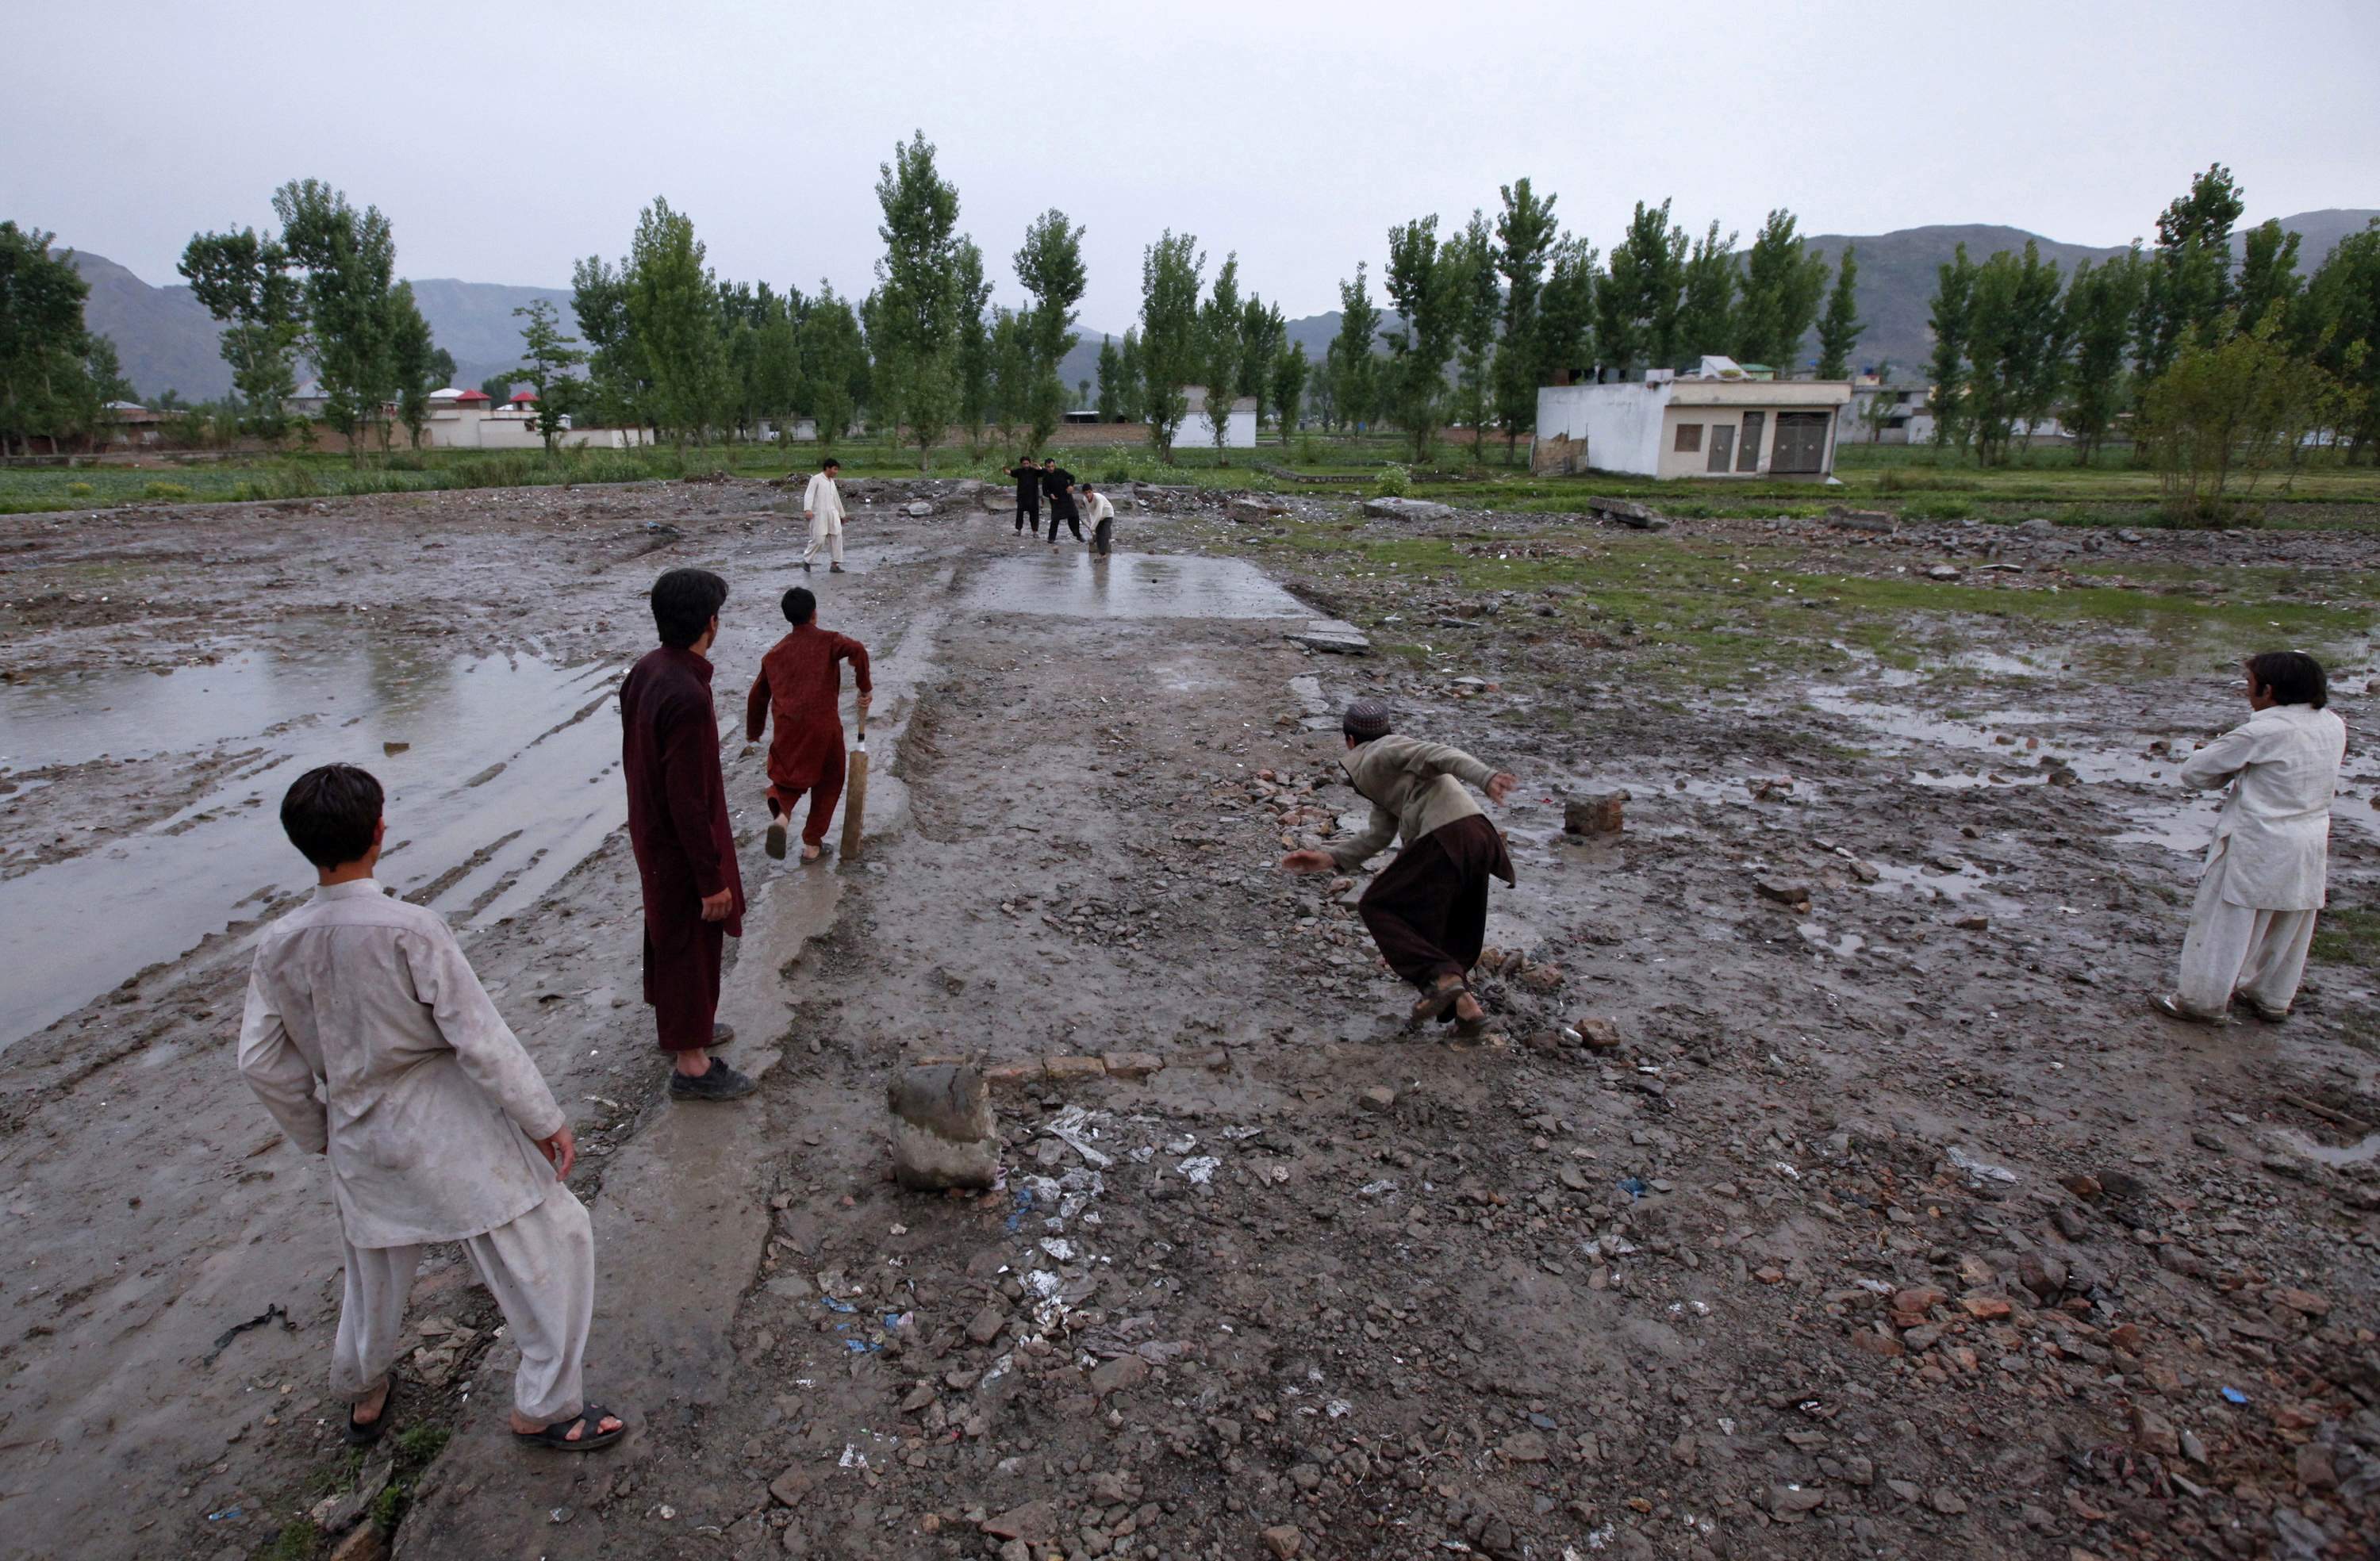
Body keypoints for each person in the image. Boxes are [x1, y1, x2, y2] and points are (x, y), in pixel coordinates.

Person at [237, 763, 628, 1453]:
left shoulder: (278, 945)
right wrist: (545, 1120)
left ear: (299, 842)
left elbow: (262, 1063)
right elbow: (480, 1040)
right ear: (379, 833)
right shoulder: (410, 929)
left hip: (357, 1128)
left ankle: (364, 1392)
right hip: (446, 1126)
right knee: (552, 1239)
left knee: (373, 1274)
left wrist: (318, 1131)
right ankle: (546, 1405)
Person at [1282, 701, 1517, 1034]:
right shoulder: (1390, 771)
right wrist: (1330, 857)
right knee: (1452, 927)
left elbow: (1441, 753)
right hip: (1478, 837)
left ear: (1350, 740)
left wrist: (1486, 777)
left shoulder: (1385, 751)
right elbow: (1380, 832)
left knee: (1378, 905)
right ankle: (1468, 1011)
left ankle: (1443, 979)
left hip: (1444, 835)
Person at [2154, 651, 2347, 1024]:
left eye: (2249, 683)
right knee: (2290, 918)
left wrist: (2233, 773)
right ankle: (2271, 997)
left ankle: (2199, 1001)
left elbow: (2195, 772)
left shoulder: (2263, 730)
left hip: (2257, 838)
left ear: (2269, 690)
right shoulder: (2333, 724)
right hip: (2310, 836)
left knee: (2225, 922)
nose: (2246, 690)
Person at [621, 568, 754, 1101]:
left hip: (651, 832)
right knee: (688, 938)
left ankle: (688, 1027)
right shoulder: (688, 697)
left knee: (671, 932)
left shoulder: (647, 671)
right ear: (710, 624)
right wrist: (711, 877)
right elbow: (687, 799)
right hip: (678, 842)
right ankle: (692, 1065)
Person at [747, 586, 872, 863]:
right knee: (829, 781)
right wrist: (864, 688)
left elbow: (758, 696)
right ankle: (812, 844)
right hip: (824, 729)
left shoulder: (774, 654)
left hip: (788, 730)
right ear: (814, 614)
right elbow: (858, 649)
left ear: (788, 618)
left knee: (788, 781)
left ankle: (781, 819)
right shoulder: (829, 641)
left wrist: (754, 731)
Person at [800, 457, 847, 574]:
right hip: (819, 514)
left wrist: (842, 515)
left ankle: (835, 564)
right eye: (835, 469)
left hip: (833, 514)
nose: (836, 472)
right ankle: (807, 560)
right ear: (827, 468)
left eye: (837, 470)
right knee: (819, 539)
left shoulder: (832, 482)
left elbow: (836, 499)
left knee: (837, 537)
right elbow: (809, 494)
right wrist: (807, 509)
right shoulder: (816, 479)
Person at [1041, 457, 1082, 544]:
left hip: (1067, 499)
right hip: (1056, 501)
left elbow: (1072, 477)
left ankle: (1078, 535)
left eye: (1052, 466)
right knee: (1055, 520)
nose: (1051, 468)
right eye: (1048, 467)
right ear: (1046, 467)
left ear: (1054, 465)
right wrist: (1050, 495)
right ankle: (1051, 538)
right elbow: (1045, 492)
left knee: (1074, 516)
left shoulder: (1061, 472)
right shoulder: (1045, 477)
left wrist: (1071, 485)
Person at [1004, 456, 1042, 539]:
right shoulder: (1019, 471)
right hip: (1022, 497)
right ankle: (1019, 531)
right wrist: (1004, 468)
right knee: (1019, 515)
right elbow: (1010, 472)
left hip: (1033, 497)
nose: (1026, 465)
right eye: (1024, 464)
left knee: (1034, 515)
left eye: (1027, 463)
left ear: (1030, 463)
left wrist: (1040, 468)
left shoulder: (1035, 471)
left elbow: (1043, 473)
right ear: (1021, 464)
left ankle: (1035, 532)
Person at [1081, 481, 1117, 557]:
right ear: (1083, 493)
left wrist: (1093, 527)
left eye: (1089, 492)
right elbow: (1091, 513)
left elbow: (1099, 514)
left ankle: (1103, 555)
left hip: (1107, 514)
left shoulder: (1098, 499)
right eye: (1085, 493)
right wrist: (1093, 526)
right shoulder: (1085, 499)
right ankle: (1101, 553)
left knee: (1104, 533)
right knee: (1098, 535)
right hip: (1098, 517)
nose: (1088, 495)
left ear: (1092, 491)